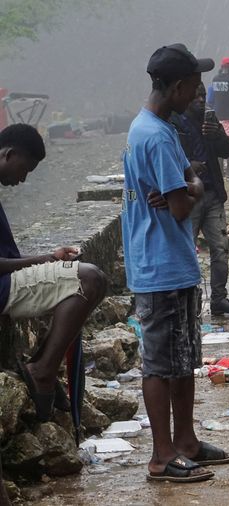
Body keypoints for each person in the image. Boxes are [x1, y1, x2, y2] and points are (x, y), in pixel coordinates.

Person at [122, 43, 229, 484]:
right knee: (160, 363)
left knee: (184, 357)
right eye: (194, 85)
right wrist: (193, 186)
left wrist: (190, 185)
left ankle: (185, 441)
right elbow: (185, 204)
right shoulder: (152, 134)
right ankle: (161, 456)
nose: (199, 92)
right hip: (160, 264)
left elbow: (189, 185)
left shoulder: (160, 127)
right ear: (177, 86)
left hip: (175, 262)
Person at [0, 123, 107, 423]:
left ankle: (41, 365)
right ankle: (43, 369)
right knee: (89, 278)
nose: (23, 179)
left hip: (7, 282)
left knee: (91, 278)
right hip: (2, 287)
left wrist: (50, 261)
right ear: (9, 154)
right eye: (25, 170)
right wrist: (47, 259)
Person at [172, 82, 229, 316]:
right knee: (187, 250)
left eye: (203, 96)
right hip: (188, 197)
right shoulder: (174, 123)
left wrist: (217, 134)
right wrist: (189, 165)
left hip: (213, 195)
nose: (201, 100)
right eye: (196, 96)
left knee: (220, 248)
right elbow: (168, 158)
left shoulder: (209, 119)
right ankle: (191, 299)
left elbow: (227, 151)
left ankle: (219, 298)